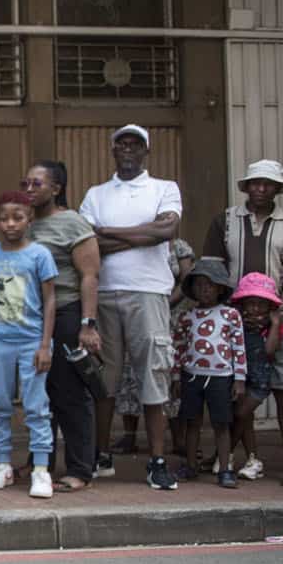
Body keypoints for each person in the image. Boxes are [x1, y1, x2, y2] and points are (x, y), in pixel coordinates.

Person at [79, 124, 183, 491]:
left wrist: (111, 233)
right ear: (113, 151)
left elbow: (166, 232)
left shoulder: (164, 188)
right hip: (104, 294)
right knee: (103, 381)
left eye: (135, 144)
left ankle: (156, 460)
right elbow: (89, 244)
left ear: (145, 152)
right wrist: (143, 234)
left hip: (149, 293)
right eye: (121, 144)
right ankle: (101, 454)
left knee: (153, 377)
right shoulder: (96, 194)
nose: (128, 149)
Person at [202, 158, 283, 488]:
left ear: (278, 189)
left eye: (268, 184)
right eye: (255, 183)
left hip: (280, 319)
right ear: (246, 186)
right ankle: (228, 455)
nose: (261, 188)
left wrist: (276, 310)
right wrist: (226, 312)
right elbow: (214, 271)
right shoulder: (226, 221)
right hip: (234, 321)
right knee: (237, 393)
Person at [24, 161, 102, 492]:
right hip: (33, 319)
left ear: (56, 189)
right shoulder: (25, 224)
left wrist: (88, 324)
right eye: (25, 184)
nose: (29, 190)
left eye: (36, 184)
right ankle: (40, 461)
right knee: (38, 393)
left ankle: (81, 468)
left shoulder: (73, 224)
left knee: (70, 393)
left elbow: (89, 276)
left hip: (68, 314)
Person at [0, 191, 57, 499]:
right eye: (4, 218)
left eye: (17, 217)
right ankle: (2, 464)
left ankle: (40, 469)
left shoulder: (40, 256)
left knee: (36, 406)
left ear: (29, 219)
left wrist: (45, 344)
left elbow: (50, 299)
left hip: (31, 340)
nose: (10, 224)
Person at [110, 238, 194, 462]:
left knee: (164, 374)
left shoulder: (179, 247)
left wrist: (166, 302)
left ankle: (177, 439)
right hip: (137, 311)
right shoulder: (135, 243)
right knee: (130, 374)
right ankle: (129, 435)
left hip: (169, 315)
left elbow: (186, 280)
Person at [172, 260, 245, 489]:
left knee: (221, 423)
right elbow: (179, 347)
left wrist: (240, 379)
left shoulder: (231, 314)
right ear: (192, 289)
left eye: (210, 285)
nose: (204, 289)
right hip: (192, 375)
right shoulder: (187, 316)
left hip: (221, 376)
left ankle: (225, 469)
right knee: (192, 421)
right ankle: (191, 465)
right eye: (199, 284)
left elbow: (239, 348)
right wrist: (176, 376)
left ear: (221, 288)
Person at [231, 273, 283, 482]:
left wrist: (273, 325)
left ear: (270, 306)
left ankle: (223, 454)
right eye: (250, 303)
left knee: (240, 414)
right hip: (240, 378)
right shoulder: (237, 322)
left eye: (260, 304)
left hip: (259, 383)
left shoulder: (273, 326)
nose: (254, 309)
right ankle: (253, 459)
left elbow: (270, 351)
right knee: (245, 418)